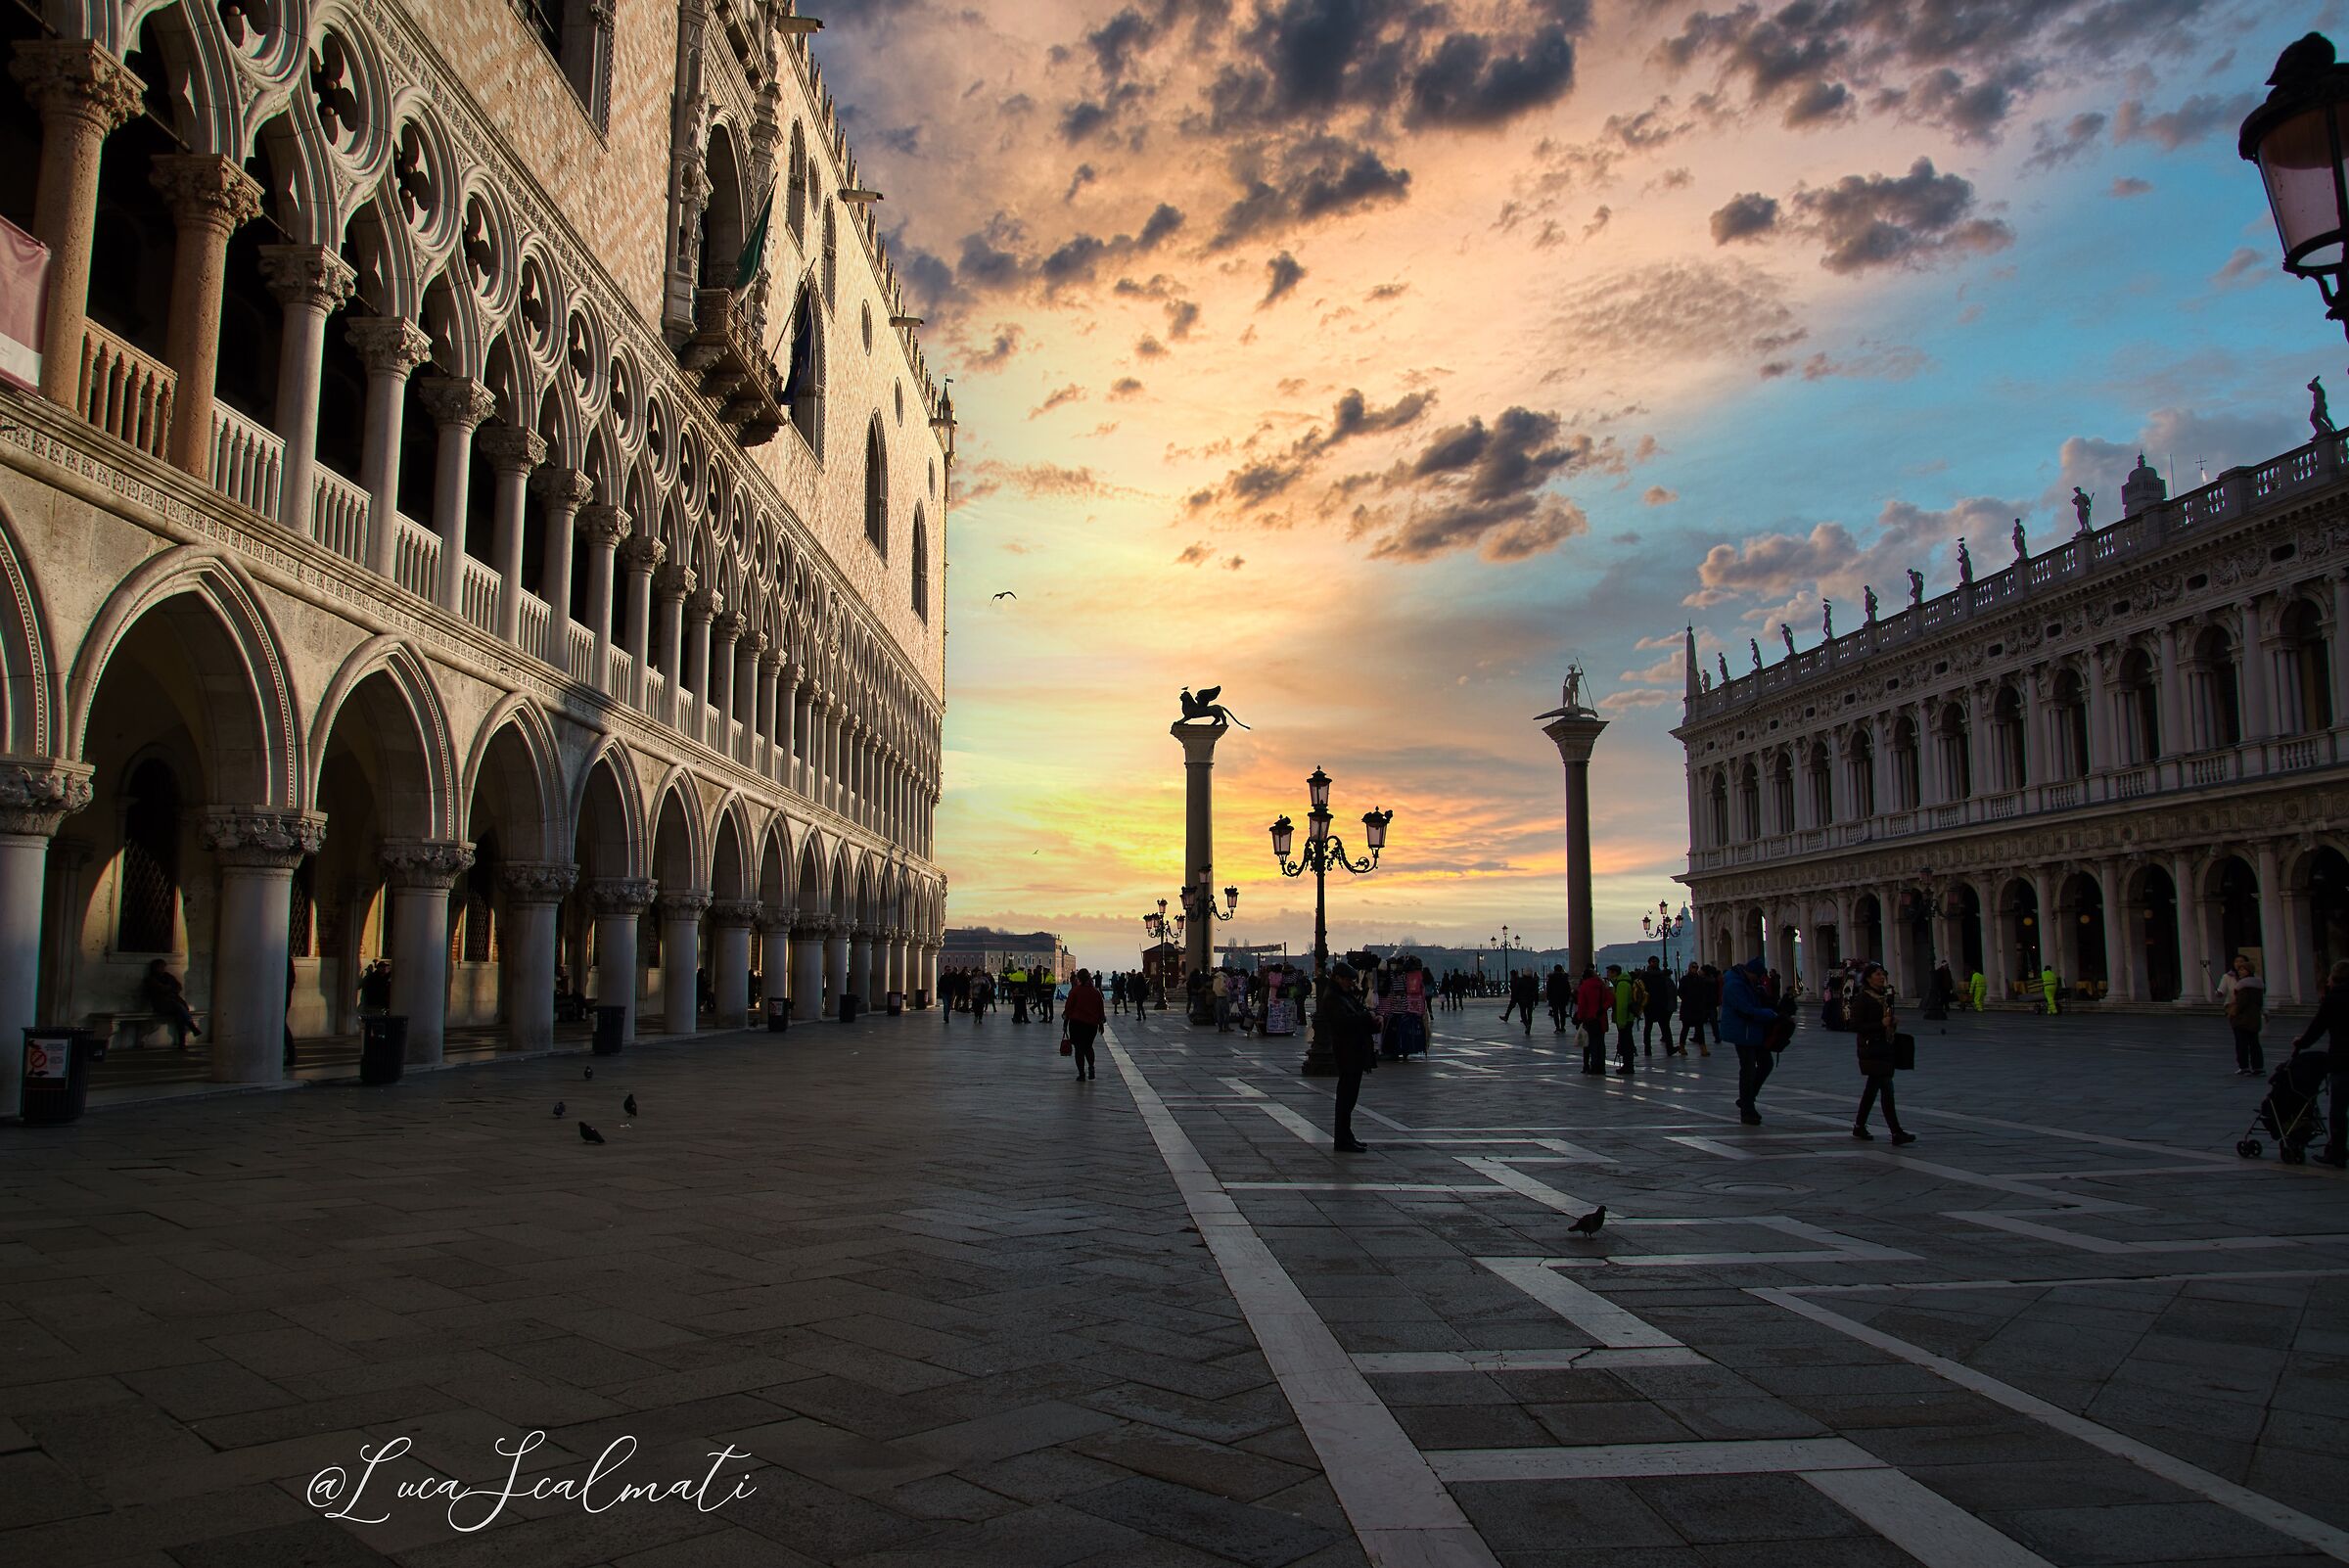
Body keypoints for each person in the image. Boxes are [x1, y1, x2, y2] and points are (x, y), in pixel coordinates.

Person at [1849, 963, 1914, 1144]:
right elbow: (1854, 1025)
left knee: (1872, 1091)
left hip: (1884, 1048)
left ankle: (1859, 1126)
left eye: (1882, 973)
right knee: (1887, 1090)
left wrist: (1891, 1022)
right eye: (1877, 974)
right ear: (1869, 978)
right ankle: (1896, 1132)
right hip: (1872, 1049)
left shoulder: (1883, 997)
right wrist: (1881, 1024)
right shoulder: (1863, 998)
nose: (1881, 976)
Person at [2291, 960, 2349, 1168]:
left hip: (2343, 1060)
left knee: (2339, 1109)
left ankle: (2338, 1152)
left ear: (2334, 978)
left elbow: (2318, 1027)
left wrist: (2301, 1043)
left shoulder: (2333, 999)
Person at [1317, 961, 1376, 1153]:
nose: (1352, 983)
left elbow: (1359, 1014)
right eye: (1348, 980)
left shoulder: (1344, 995)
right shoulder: (1333, 998)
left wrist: (1373, 1020)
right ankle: (1342, 1139)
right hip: (1346, 1051)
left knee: (1350, 1097)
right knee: (1345, 1097)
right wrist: (1367, 1019)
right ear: (1337, 978)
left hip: (1354, 1050)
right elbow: (1344, 1023)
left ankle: (1347, 1135)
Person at [1720, 955, 1777, 1125]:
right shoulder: (1734, 984)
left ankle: (1748, 1098)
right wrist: (1769, 1015)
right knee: (1748, 1069)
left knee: (1766, 1064)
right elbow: (1745, 1009)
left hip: (1753, 1031)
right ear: (1750, 972)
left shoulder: (1748, 983)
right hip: (1742, 1032)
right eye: (1757, 976)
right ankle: (1747, 1108)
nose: (1758, 980)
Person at [141, 958, 200, 1050]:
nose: (162, 969)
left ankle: (182, 1043)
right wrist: (169, 989)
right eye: (160, 967)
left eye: (163, 967)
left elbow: (178, 987)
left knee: (180, 1015)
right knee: (179, 1008)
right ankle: (191, 1026)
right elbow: (160, 989)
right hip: (162, 1005)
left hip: (174, 1004)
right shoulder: (150, 979)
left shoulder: (168, 976)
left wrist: (170, 988)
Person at [2222, 955, 2266, 1077]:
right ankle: (2258, 1067)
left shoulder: (2243, 985)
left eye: (2243, 969)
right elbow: (2260, 1003)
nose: (2240, 972)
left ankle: (2244, 1066)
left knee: (2241, 1044)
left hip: (2242, 1019)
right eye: (2239, 969)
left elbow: (2241, 1003)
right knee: (2254, 1043)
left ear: (2248, 971)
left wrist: (2232, 1012)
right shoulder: (2258, 985)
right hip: (2254, 1019)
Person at [1065, 968, 1105, 1081]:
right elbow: (1100, 1009)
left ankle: (1081, 1073)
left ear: (1079, 978)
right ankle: (1091, 1067)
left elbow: (1068, 1008)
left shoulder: (1074, 991)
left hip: (1076, 1023)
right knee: (1088, 1047)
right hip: (1091, 1025)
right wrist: (1101, 1023)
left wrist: (1065, 1021)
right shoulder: (1096, 992)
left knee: (1079, 1049)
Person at [1609, 964, 1641, 1074]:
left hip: (1625, 1019)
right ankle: (1628, 1064)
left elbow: (1622, 1005)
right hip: (1628, 1017)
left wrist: (1620, 1021)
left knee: (1626, 1043)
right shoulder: (1624, 982)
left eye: (1609, 972)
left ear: (1614, 973)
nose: (1608, 975)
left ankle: (1628, 1065)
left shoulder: (1622, 984)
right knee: (1627, 1042)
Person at [1679, 962, 1715, 1056]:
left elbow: (1704, 992)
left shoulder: (1700, 979)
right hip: (1688, 1008)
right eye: (1693, 967)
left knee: (1700, 1029)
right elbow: (1680, 992)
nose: (1695, 969)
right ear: (1690, 968)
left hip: (1698, 1008)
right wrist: (1687, 999)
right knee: (1685, 1028)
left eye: (1696, 967)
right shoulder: (1685, 979)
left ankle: (1703, 1048)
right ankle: (1682, 1047)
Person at [1643, 958, 1678, 1053]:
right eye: (1653, 962)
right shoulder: (1652, 976)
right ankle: (1649, 1049)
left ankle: (1668, 1048)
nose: (1655, 963)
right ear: (1649, 963)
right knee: (1652, 1027)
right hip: (1652, 1005)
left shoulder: (1651, 975)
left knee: (1664, 1027)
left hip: (1659, 1005)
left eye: (1656, 962)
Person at [1510, 968, 1540, 1038]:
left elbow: (1516, 990)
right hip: (1530, 999)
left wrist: (1515, 999)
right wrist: (1536, 1001)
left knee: (1523, 1013)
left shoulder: (1520, 981)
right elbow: (1536, 992)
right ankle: (1529, 1026)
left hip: (1522, 999)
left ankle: (1527, 1025)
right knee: (1529, 1014)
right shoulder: (1533, 981)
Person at [1545, 964, 1572, 1034]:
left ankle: (1557, 1027)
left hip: (1554, 998)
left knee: (1555, 1013)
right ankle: (1563, 1027)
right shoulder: (1564, 978)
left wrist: (1549, 997)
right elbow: (1568, 989)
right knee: (1562, 1012)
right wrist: (1567, 997)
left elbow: (1548, 989)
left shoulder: (1551, 978)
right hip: (1563, 998)